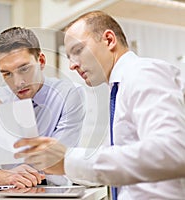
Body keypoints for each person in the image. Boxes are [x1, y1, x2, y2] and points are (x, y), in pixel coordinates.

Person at [14, 11, 185, 199]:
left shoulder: (144, 73)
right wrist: (60, 164)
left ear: (109, 40)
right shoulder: (119, 89)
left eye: (78, 50)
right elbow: (121, 161)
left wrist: (68, 160)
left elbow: (172, 151)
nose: (71, 65)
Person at [0, 27, 87, 189]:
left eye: (24, 69)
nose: (18, 83)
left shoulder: (69, 95)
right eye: (7, 74)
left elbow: (56, 165)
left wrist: (9, 124)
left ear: (41, 61)